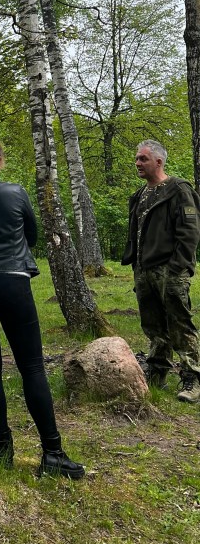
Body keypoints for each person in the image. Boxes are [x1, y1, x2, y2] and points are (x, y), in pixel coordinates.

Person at [0, 126, 84, 479]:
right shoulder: (15, 192)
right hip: (13, 281)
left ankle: (3, 446)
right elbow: (31, 235)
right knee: (31, 366)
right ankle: (52, 452)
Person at [122, 140, 200, 402]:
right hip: (144, 270)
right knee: (153, 325)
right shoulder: (140, 195)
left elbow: (190, 232)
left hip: (171, 270)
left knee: (180, 323)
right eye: (137, 158)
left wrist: (177, 266)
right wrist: (136, 264)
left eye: (143, 159)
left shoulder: (179, 190)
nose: (137, 163)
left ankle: (192, 379)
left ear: (159, 161)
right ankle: (157, 373)